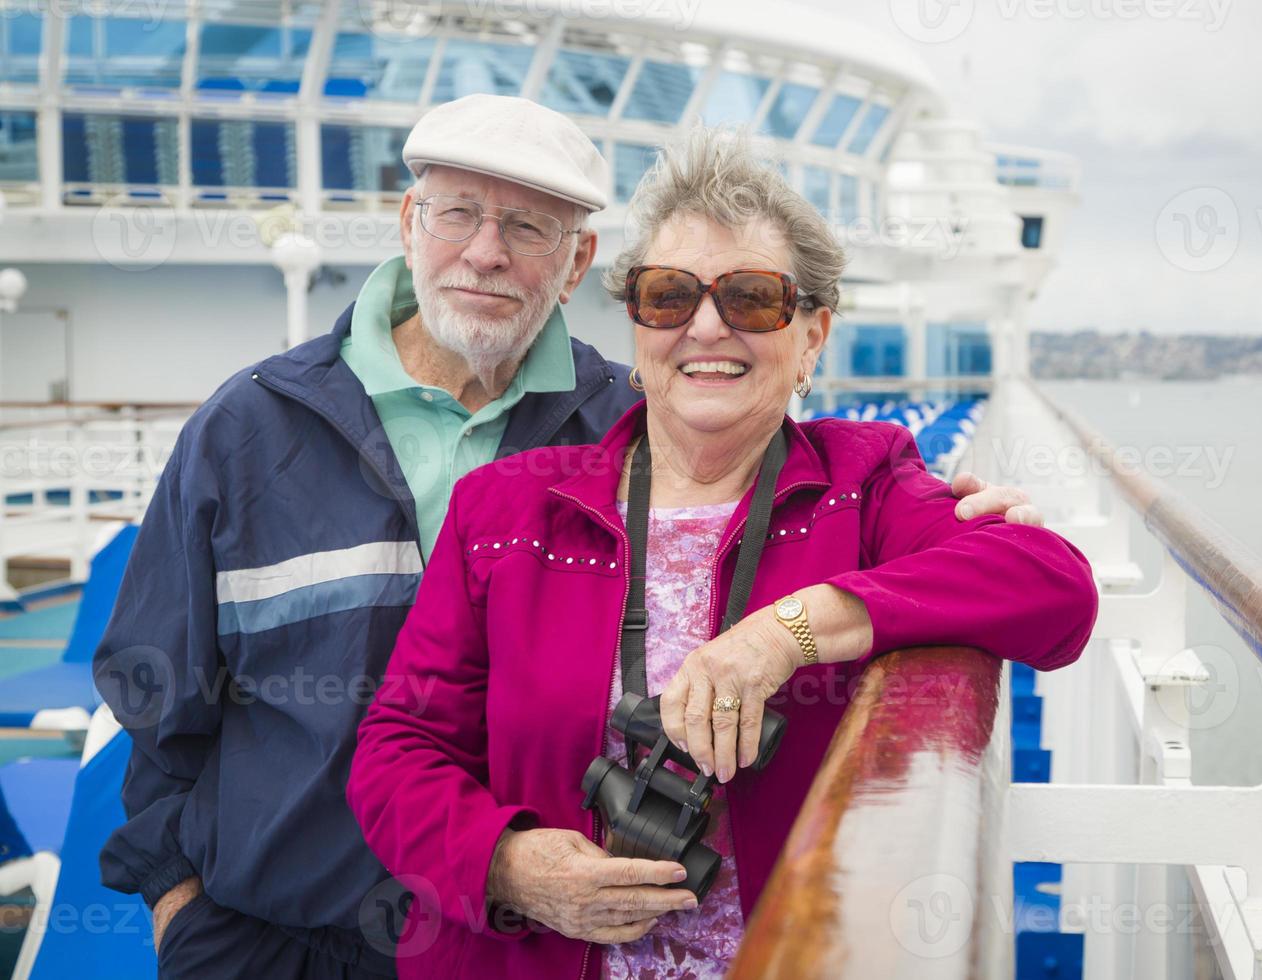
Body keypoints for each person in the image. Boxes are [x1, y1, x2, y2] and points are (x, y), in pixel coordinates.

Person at [92, 97, 1042, 980]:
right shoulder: (251, 429)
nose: (487, 254)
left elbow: (1034, 580)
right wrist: (178, 906)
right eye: (458, 213)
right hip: (275, 933)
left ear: (579, 261)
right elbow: (158, 699)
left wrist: (828, 608)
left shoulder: (632, 424)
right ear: (409, 225)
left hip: (493, 937)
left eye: (529, 228)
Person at [347, 129, 1098, 980]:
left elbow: (1055, 589)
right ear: (636, 325)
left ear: (812, 335)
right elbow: (397, 750)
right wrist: (508, 864)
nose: (706, 325)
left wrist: (790, 630)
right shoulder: (511, 506)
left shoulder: (863, 479)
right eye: (669, 295)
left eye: (751, 297)